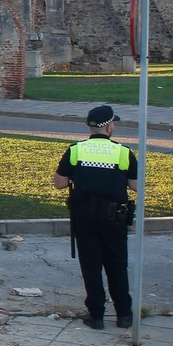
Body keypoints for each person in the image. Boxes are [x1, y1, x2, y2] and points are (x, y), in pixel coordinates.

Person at [52, 105, 137, 330]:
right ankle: (124, 314)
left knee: (91, 266)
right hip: (114, 217)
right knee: (117, 265)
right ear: (110, 127)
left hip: (85, 215)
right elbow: (137, 186)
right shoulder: (123, 152)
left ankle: (97, 315)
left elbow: (60, 182)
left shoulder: (76, 150)